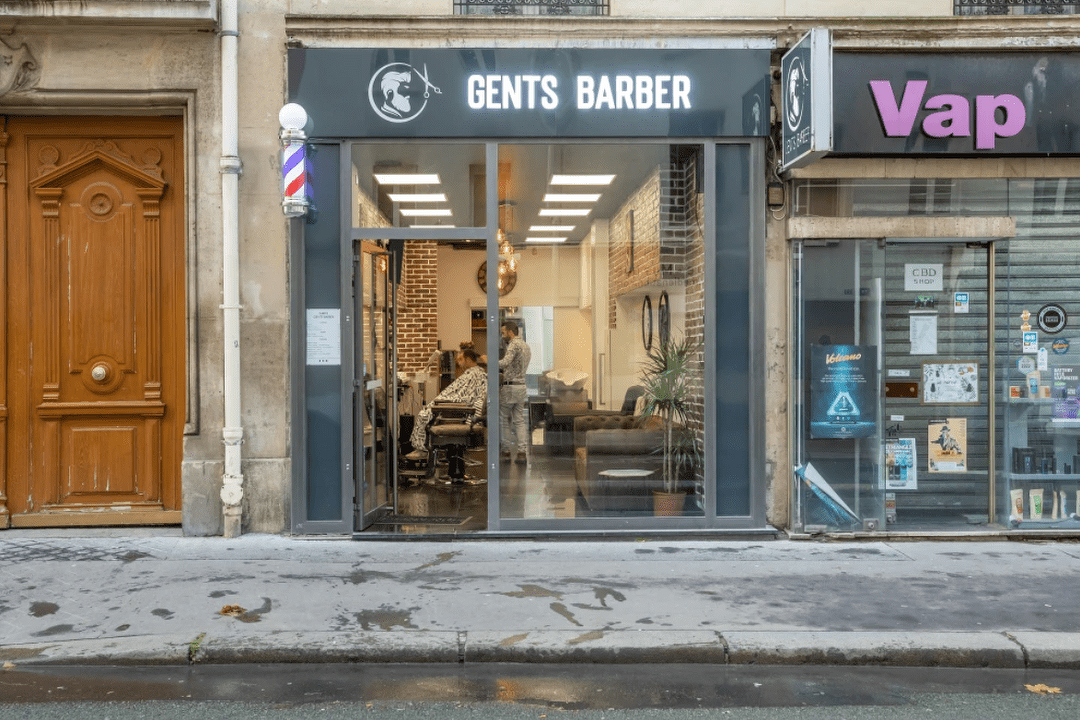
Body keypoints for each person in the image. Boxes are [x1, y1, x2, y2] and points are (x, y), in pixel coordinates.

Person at [406, 348, 486, 460]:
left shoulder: (472, 375)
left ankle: (422, 450)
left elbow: (464, 398)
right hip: (466, 412)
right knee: (428, 410)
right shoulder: (480, 373)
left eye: (461, 359)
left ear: (468, 360)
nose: (458, 362)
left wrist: (441, 401)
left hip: (461, 413)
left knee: (424, 414)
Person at [498, 319, 531, 464]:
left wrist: (489, 361)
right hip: (521, 386)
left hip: (510, 387)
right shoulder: (525, 345)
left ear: (510, 332)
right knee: (519, 420)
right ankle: (522, 452)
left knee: (504, 419)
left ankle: (505, 451)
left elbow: (505, 362)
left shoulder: (513, 344)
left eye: (503, 332)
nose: (502, 335)